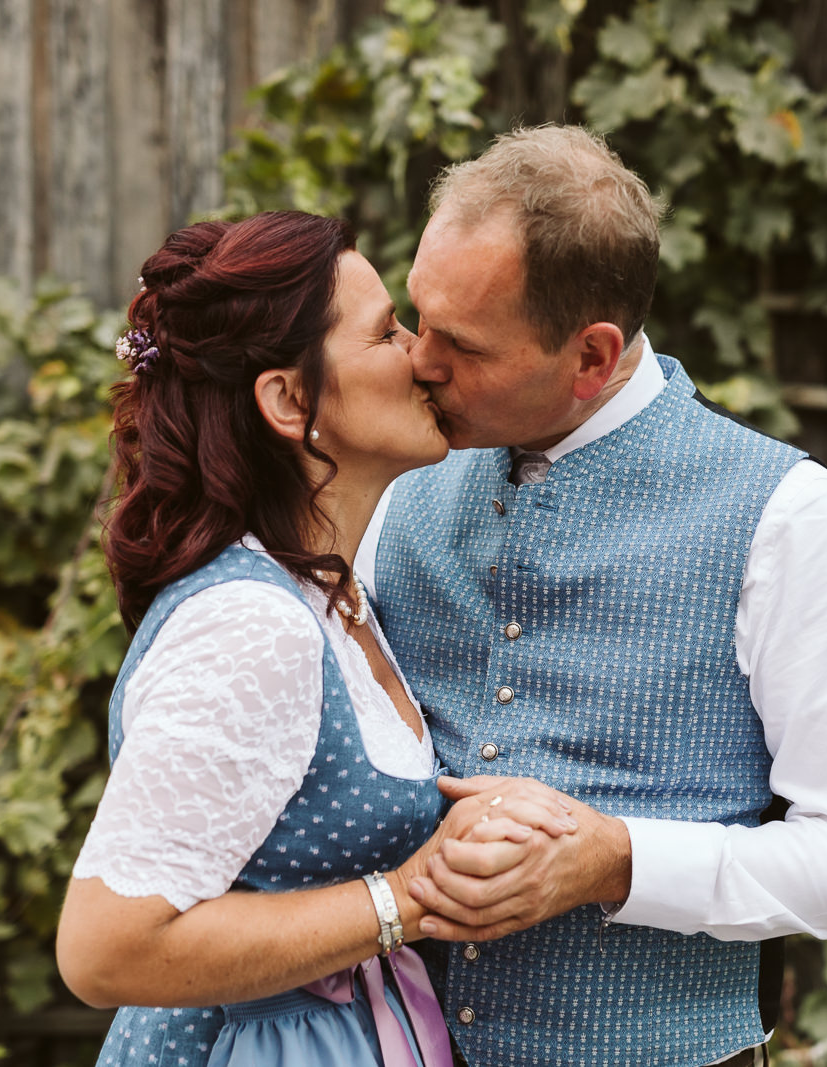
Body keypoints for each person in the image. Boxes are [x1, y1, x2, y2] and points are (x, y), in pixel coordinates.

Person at [353, 126, 827, 1067]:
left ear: (591, 355)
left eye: (463, 344)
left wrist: (614, 860)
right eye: (419, 317)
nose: (419, 361)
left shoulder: (786, 517)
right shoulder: (391, 482)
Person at [55, 210, 579, 1067]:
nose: (421, 355)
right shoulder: (250, 626)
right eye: (384, 333)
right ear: (291, 400)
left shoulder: (328, 591)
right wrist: (408, 897)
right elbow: (105, 947)